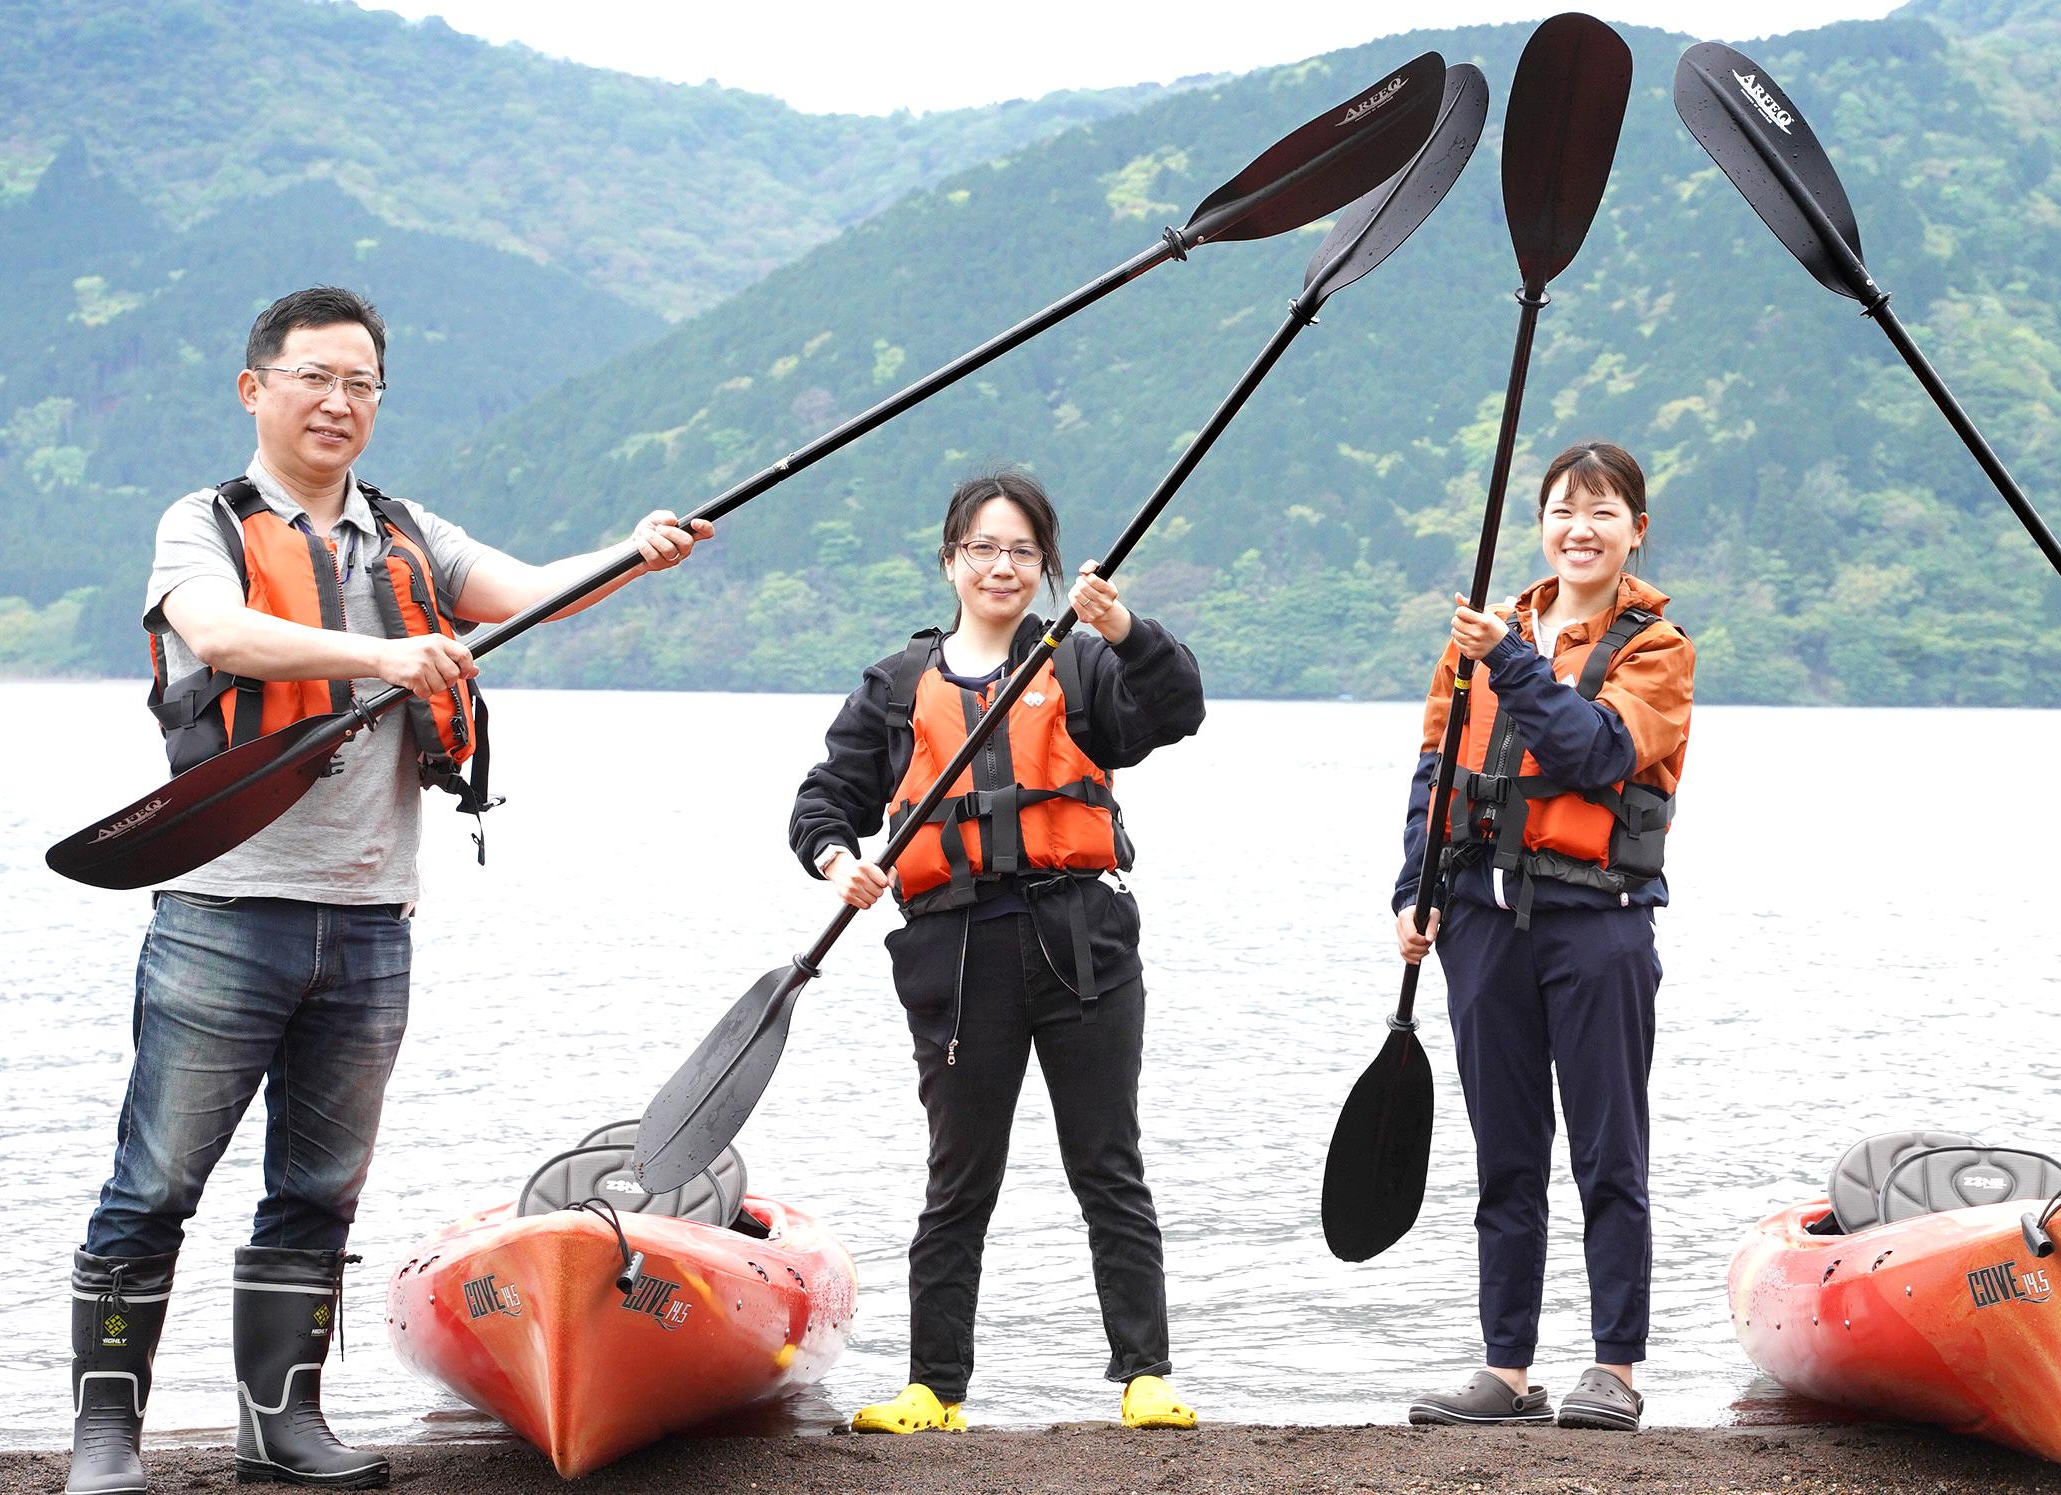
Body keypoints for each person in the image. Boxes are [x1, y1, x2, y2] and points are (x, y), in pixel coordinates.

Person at [67, 285, 711, 1495]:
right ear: (255, 388)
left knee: (318, 1190)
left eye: (360, 382)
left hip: (371, 921)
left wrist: (636, 551)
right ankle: (106, 1439)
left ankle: (281, 1425)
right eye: (315, 376)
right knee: (154, 1186)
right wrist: (386, 655)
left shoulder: (409, 533)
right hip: (222, 913)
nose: (338, 401)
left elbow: (539, 589)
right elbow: (225, 635)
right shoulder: (201, 523)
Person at [787, 471, 1207, 1434]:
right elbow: (822, 802)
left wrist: (1124, 627)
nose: (1001, 566)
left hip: (1083, 946)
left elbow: (1176, 708)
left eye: (1022, 550)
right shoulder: (896, 687)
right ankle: (935, 1387)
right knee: (959, 1176)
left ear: (1046, 565)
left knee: (1108, 1162)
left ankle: (1144, 1375)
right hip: (956, 955)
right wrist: (840, 860)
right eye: (983, 547)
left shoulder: (1082, 666)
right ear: (951, 560)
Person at [1392, 441, 1695, 1434]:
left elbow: (1593, 750)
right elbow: (1436, 769)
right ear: (1539, 525)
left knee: (1610, 1152)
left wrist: (1508, 659)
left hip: (1598, 926)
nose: (1580, 528)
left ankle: (1614, 1368)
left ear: (1635, 531)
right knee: (1506, 1156)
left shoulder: (1657, 650)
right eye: (1563, 509)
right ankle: (1507, 1369)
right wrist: (1413, 890)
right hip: (1483, 924)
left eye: (1602, 512)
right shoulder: (1480, 639)